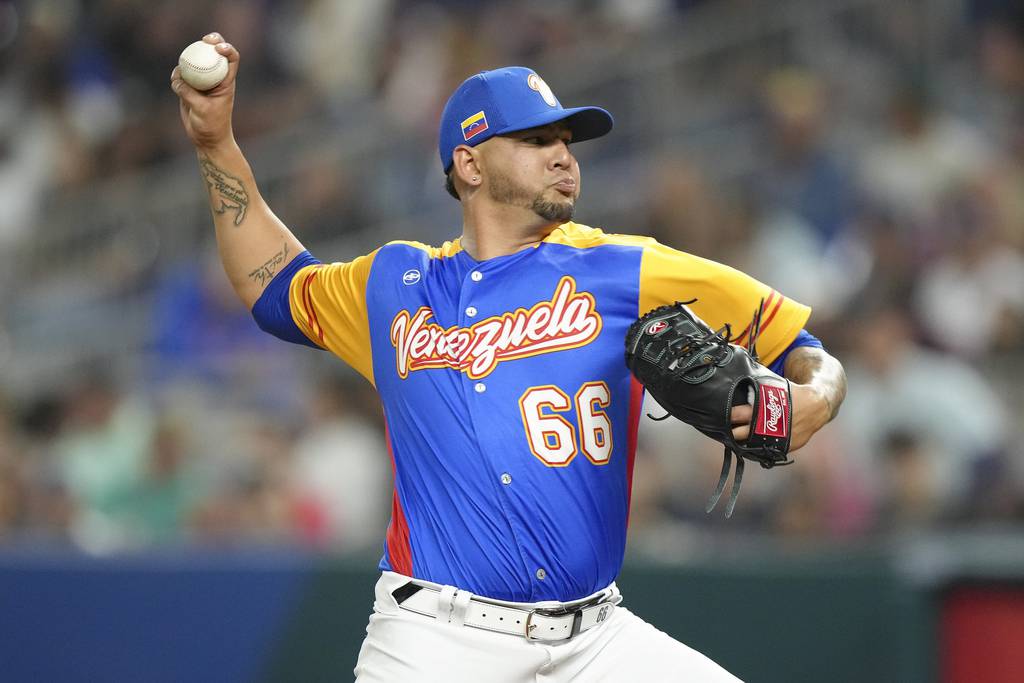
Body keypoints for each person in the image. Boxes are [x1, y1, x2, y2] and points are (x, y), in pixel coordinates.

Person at [171, 33, 847, 682]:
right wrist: (216, 144)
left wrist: (814, 398)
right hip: (434, 638)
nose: (563, 154)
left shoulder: (625, 270)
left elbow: (802, 347)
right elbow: (273, 285)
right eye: (535, 139)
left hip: (595, 641)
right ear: (468, 163)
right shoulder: (394, 287)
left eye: (565, 140)